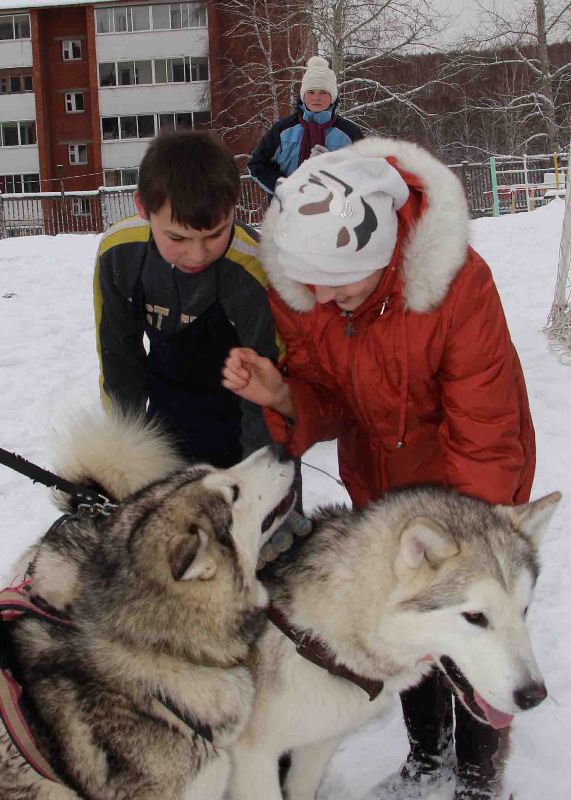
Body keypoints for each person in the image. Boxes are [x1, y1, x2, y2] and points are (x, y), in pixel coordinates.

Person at [222, 139, 535, 800]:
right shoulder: (312, 288)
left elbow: (485, 428)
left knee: (475, 622)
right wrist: (284, 396)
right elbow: (332, 397)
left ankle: (479, 778)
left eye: (343, 282)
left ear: (384, 254)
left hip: (474, 487)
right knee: (404, 626)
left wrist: (471, 548)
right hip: (384, 483)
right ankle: (426, 754)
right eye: (312, 281)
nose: (325, 296)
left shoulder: (454, 283)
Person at [93, 129, 282, 471]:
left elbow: (270, 394)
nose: (197, 254)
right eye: (177, 237)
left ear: (233, 208)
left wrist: (258, 482)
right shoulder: (119, 254)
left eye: (214, 234)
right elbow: (120, 364)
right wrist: (127, 458)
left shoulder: (256, 268)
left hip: (245, 423)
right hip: (166, 421)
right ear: (142, 207)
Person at [248, 55, 364, 196]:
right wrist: (283, 188)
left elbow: (363, 175)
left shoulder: (349, 133)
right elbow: (257, 165)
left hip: (334, 214)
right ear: (303, 95)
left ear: (332, 97)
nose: (316, 98)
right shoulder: (283, 130)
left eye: (323, 92)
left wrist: (333, 168)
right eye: (311, 92)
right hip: (286, 211)